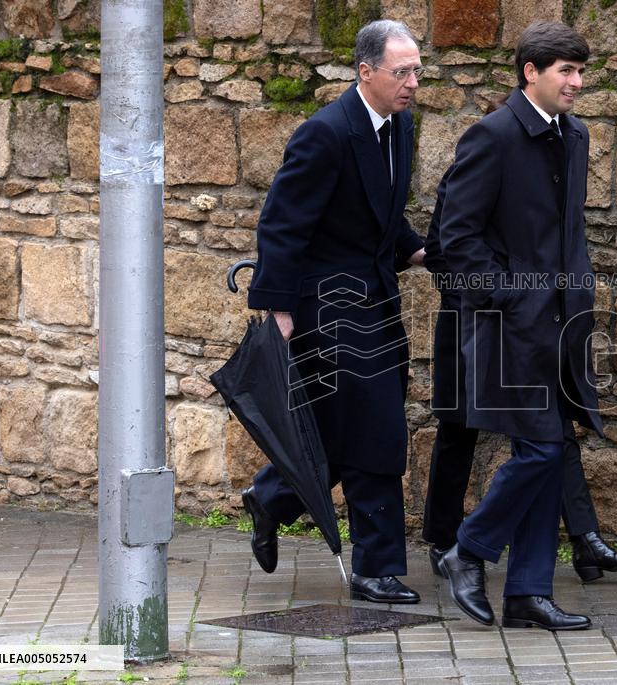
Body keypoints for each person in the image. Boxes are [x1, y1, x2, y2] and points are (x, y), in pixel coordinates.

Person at [242, 19, 426, 604]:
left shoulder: (399, 127)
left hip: (376, 300)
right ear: (365, 71)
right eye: (402, 72)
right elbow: (282, 222)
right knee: (377, 429)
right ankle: (376, 567)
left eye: (417, 70)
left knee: (339, 427)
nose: (412, 82)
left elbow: (382, 210)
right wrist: (278, 306)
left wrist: (415, 249)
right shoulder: (323, 134)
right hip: (326, 306)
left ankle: (271, 497)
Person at [436, 21, 606, 630]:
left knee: (552, 445)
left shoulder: (576, 134)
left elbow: (568, 233)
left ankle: (527, 592)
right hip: (510, 326)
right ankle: (470, 549)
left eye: (580, 71)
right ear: (530, 71)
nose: (577, 82)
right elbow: (457, 238)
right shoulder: (493, 136)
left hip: (562, 325)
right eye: (566, 70)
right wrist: (509, 298)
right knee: (539, 449)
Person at [422, 162, 617, 585]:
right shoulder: (474, 169)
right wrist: (492, 295)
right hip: (469, 321)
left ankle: (585, 540)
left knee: (552, 429)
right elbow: (441, 252)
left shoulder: (539, 181)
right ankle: (443, 540)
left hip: (526, 326)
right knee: (457, 432)